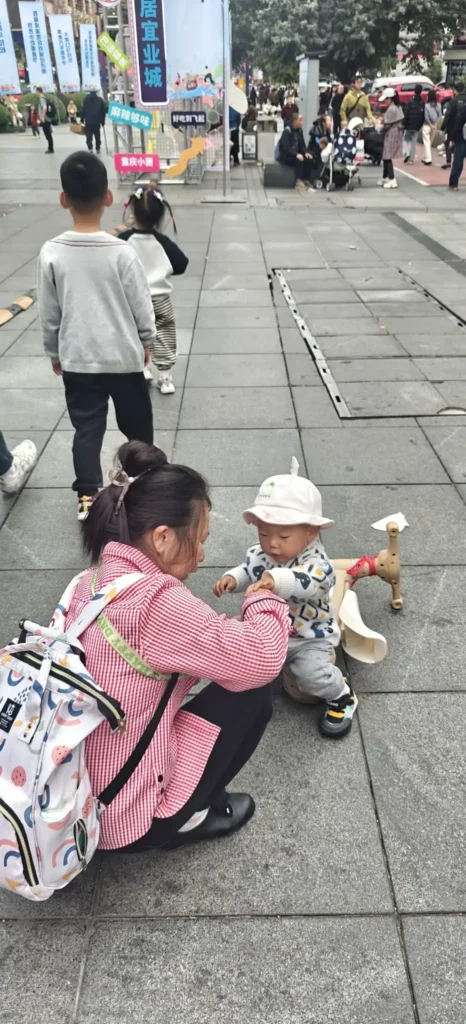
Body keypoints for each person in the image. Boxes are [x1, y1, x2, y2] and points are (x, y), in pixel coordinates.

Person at [64, 439, 290, 851]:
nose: (203, 554)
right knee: (252, 691)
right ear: (163, 537)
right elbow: (262, 657)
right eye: (200, 538)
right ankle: (187, 818)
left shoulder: (90, 583)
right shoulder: (155, 601)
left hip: (67, 799)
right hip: (118, 818)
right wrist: (265, 599)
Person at [37, 152, 156, 522]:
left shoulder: (52, 252)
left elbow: (49, 311)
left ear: (63, 198)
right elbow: (142, 305)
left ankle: (87, 496)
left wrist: (53, 350)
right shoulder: (123, 252)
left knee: (86, 429)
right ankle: (143, 481)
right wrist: (146, 340)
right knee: (137, 427)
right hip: (123, 358)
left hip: (78, 360)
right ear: (108, 197)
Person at [214, 458, 358, 738]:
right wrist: (234, 579)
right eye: (263, 532)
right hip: (268, 632)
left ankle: (341, 694)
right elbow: (249, 568)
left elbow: (307, 582)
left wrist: (275, 580)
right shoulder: (262, 552)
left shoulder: (318, 563)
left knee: (310, 675)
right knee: (241, 659)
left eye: (284, 535)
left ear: (311, 531)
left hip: (308, 637)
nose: (272, 543)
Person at [119, 185, 188, 395]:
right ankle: (165, 378)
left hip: (133, 299)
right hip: (160, 299)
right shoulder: (163, 242)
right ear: (160, 216)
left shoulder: (123, 240)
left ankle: (142, 368)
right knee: (164, 333)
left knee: (135, 333)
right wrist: (162, 271)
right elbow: (181, 263)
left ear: (132, 211)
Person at [278, 112, 313, 190]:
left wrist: (306, 152)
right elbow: (285, 148)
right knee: (299, 160)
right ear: (295, 122)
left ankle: (306, 179)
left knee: (308, 159)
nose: (302, 122)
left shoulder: (299, 131)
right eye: (300, 120)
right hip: (287, 156)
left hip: (296, 153)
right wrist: (296, 154)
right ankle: (298, 181)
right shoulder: (287, 132)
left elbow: (302, 145)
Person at [379, 88, 404, 189]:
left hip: (392, 133)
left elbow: (387, 125)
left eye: (386, 99)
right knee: (386, 156)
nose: (385, 101)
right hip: (395, 132)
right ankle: (386, 177)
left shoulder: (392, 109)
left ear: (390, 99)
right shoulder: (396, 107)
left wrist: (380, 129)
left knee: (388, 156)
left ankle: (392, 179)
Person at [446, 82, 466, 190]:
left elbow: (457, 120)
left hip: (460, 136)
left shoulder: (454, 101)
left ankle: (453, 183)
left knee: (458, 159)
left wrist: (451, 136)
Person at [403, 83, 425, 164]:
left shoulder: (410, 102)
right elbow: (423, 116)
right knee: (414, 142)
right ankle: (411, 159)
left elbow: (406, 113)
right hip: (416, 126)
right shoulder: (422, 103)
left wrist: (404, 124)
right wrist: (419, 126)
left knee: (404, 140)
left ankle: (407, 153)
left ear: (414, 91)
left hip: (408, 126)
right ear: (421, 92)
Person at [441, 86, 459, 170]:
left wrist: (443, 127)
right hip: (462, 127)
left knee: (447, 143)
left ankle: (448, 161)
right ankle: (457, 161)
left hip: (452, 127)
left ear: (455, 91)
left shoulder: (453, 101)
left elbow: (447, 115)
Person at [422, 89, 442, 165]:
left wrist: (430, 124)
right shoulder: (439, 105)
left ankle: (428, 159)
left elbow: (426, 117)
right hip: (435, 125)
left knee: (426, 142)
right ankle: (425, 157)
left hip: (427, 125)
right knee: (429, 142)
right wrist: (435, 124)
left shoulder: (426, 106)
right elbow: (440, 116)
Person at [36, 86, 54, 153]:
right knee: (48, 134)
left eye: (36, 92)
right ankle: (50, 148)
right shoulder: (45, 98)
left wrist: (43, 117)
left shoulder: (41, 98)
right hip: (47, 118)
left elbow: (44, 108)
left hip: (45, 119)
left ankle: (51, 148)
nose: (36, 93)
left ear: (38, 91)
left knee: (47, 134)